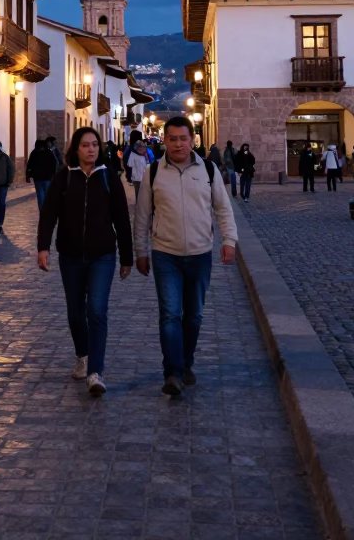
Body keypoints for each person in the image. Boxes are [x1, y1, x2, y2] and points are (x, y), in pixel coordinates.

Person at [133, 116, 239, 397]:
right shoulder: (153, 172)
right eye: (172, 139)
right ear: (165, 141)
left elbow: (223, 208)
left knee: (194, 316)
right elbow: (142, 216)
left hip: (200, 253)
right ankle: (173, 373)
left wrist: (229, 240)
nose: (178, 143)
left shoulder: (208, 169)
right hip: (164, 254)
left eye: (183, 138)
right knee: (170, 315)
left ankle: (185, 363)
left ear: (192, 140)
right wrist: (140, 251)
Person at [36, 127, 134, 396]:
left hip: (102, 255)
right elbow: (48, 215)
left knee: (97, 311)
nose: (91, 149)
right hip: (70, 257)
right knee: (76, 312)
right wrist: (42, 247)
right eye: (85, 145)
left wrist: (127, 256)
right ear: (75, 150)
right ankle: (82, 354)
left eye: (94, 145)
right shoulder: (63, 178)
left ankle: (95, 371)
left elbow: (122, 219)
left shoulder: (109, 178)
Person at [26, 138, 58, 210]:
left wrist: (28, 175)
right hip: (47, 177)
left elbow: (29, 165)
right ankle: (47, 210)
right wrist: (53, 174)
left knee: (40, 195)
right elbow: (55, 163)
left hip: (38, 178)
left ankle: (42, 211)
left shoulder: (34, 153)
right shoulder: (48, 152)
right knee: (47, 194)